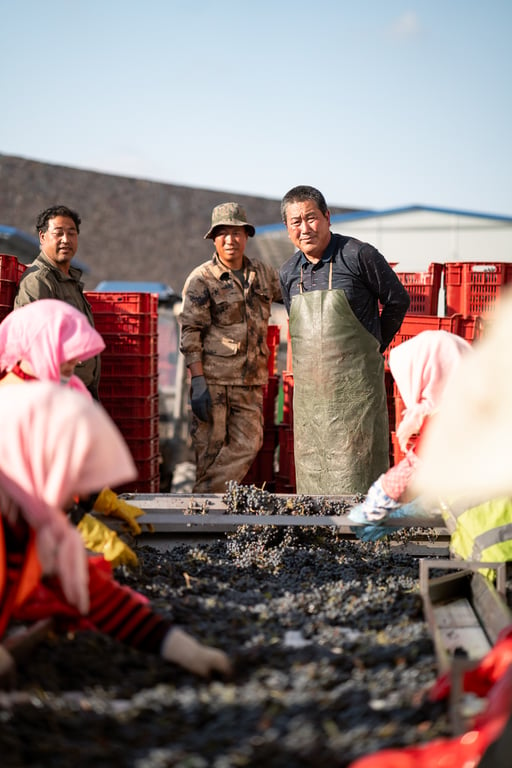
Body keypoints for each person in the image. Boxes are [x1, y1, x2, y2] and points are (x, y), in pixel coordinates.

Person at [0, 381, 231, 688]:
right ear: (37, 457)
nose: (81, 492)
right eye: (73, 473)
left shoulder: (31, 526)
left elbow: (101, 600)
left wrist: (186, 651)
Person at [279, 185, 410, 495]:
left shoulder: (358, 255)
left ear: (327, 217)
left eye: (311, 217)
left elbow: (397, 301)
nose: (305, 228)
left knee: (359, 484)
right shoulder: (287, 273)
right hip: (311, 403)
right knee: (312, 489)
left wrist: (374, 345)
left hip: (356, 399)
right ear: (287, 230)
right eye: (295, 221)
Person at [0, 299, 145, 567]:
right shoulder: (14, 402)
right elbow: (39, 493)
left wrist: (103, 500)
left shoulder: (51, 388)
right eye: (68, 353)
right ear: (43, 347)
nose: (77, 362)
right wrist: (96, 537)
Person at [179, 202, 282, 493]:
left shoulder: (262, 274)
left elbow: (292, 293)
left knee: (250, 443)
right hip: (213, 381)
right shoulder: (202, 279)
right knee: (210, 451)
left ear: (246, 236)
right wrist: (197, 379)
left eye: (237, 232)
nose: (230, 240)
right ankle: (206, 520)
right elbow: (190, 332)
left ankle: (202, 500)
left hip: (250, 381)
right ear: (213, 238)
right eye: (223, 233)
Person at [347, 330, 472, 538]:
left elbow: (410, 472)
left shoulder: (449, 420)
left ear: (428, 374)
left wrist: (372, 509)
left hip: (497, 537)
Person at [14, 204, 101, 400]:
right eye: (59, 233)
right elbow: (34, 345)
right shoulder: (38, 280)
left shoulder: (70, 280)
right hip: (58, 395)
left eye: (72, 233)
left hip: (78, 392)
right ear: (42, 237)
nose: (66, 240)